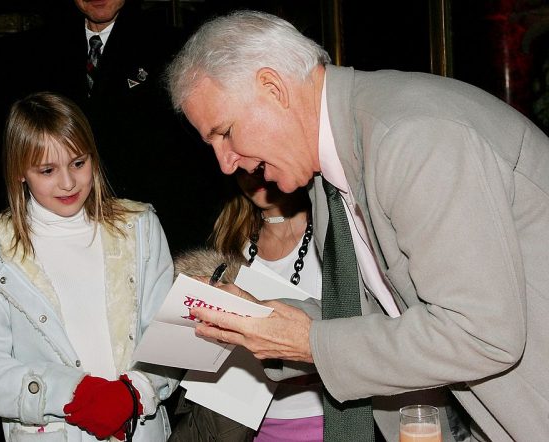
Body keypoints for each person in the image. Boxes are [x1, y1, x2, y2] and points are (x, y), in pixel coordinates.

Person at [165, 9, 549, 442]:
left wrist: (310, 342)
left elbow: (480, 333)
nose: (225, 162)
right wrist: (262, 321)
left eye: (226, 133)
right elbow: (373, 315)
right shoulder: (333, 168)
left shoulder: (412, 135)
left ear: (273, 88)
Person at [0, 92, 179, 441]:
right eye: (47, 170)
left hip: (142, 431)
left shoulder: (140, 229)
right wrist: (72, 393)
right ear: (19, 173)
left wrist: (135, 391)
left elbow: (170, 330)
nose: (68, 182)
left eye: (78, 163)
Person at [0, 0, 223, 254]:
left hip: (152, 235)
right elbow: (9, 151)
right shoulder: (31, 54)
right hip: (57, 235)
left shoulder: (173, 47)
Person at [170, 170, 323, 442]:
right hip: (236, 425)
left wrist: (307, 366)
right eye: (243, 167)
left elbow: (356, 338)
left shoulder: (331, 239)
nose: (254, 173)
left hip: (318, 420)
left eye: (260, 163)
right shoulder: (232, 243)